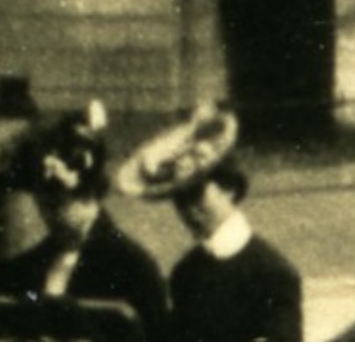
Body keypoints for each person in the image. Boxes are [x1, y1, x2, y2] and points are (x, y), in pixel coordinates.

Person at [0, 100, 168, 340]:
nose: (49, 215)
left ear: (92, 195)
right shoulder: (28, 267)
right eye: (43, 204)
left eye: (58, 204)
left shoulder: (133, 268)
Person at [116, 104, 302, 342]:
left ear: (228, 189)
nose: (188, 210)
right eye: (179, 200)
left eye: (196, 195)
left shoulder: (272, 274)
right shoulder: (185, 274)